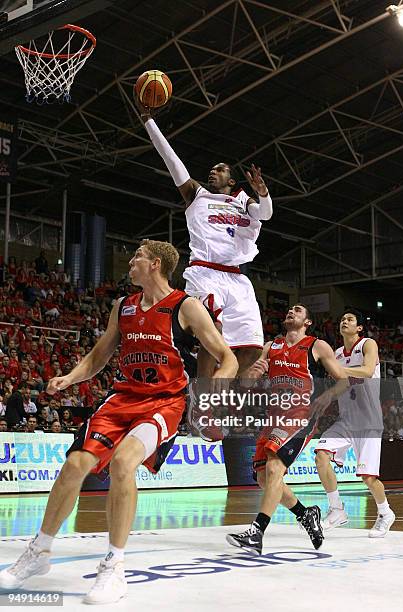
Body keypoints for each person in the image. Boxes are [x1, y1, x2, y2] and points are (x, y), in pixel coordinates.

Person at [0, 239, 238, 605]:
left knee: (125, 463)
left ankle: (114, 566)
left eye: (138, 257)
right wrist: (68, 378)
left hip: (164, 402)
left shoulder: (185, 307)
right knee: (75, 464)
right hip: (122, 398)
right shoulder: (122, 307)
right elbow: (98, 358)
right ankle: (39, 552)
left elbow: (227, 357)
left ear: (156, 264)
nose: (131, 261)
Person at [134, 93, 272, 377]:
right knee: (213, 331)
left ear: (232, 181)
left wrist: (263, 193)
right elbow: (172, 160)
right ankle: (204, 398)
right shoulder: (197, 195)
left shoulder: (243, 201)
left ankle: (220, 396)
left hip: (237, 277)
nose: (213, 171)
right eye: (212, 169)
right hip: (204, 271)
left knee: (252, 348)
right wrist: (148, 121)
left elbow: (266, 214)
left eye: (220, 169)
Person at [226, 304, 348, 554]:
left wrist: (327, 397)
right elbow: (247, 384)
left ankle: (257, 531)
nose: (291, 311)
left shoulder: (317, 346)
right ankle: (306, 515)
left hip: (300, 415)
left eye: (298, 310)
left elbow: (343, 381)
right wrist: (252, 372)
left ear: (307, 322)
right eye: (290, 309)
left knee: (274, 467)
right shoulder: (271, 347)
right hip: (273, 416)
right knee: (264, 478)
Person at [314, 309, 396, 538]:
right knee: (321, 454)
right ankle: (337, 510)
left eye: (350, 319)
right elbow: (343, 383)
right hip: (346, 420)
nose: (344, 322)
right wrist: (329, 394)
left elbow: (368, 371)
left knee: (369, 478)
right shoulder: (338, 353)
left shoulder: (368, 344)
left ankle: (385, 513)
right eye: (342, 319)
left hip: (369, 421)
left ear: (359, 327)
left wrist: (339, 370)